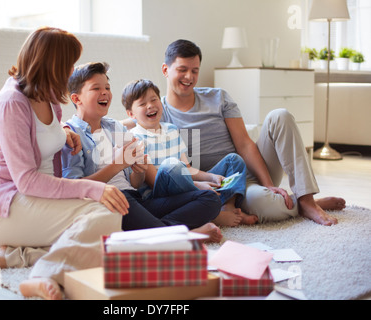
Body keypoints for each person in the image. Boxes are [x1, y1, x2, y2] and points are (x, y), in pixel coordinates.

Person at [124, 39, 345, 226]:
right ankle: (300, 203)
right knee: (268, 207)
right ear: (166, 70)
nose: (189, 77)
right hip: (220, 185)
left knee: (280, 115)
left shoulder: (218, 97)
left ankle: (306, 200)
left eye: (195, 70)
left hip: (248, 166)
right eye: (182, 70)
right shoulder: (158, 112)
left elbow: (245, 144)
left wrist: (268, 182)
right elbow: (131, 119)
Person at [0, 27, 131, 300]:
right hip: (7, 206)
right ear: (51, 63)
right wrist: (90, 188)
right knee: (105, 214)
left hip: (36, 201)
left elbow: (41, 137)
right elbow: (26, 180)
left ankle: (13, 256)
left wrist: (64, 132)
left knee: (106, 230)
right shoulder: (11, 103)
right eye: (69, 63)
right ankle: (41, 276)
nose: (72, 70)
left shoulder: (49, 98)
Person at [61, 61, 222, 242]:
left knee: (210, 199)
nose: (105, 92)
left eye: (107, 86)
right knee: (131, 204)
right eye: (96, 88)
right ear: (76, 99)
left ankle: (151, 231)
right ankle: (188, 236)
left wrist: (140, 169)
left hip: (136, 198)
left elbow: (134, 183)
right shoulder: (72, 134)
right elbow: (73, 187)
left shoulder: (115, 127)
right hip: (111, 201)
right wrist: (117, 165)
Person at [121, 79, 256, 227]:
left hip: (186, 186)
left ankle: (227, 206)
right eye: (142, 104)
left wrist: (210, 176)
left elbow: (188, 168)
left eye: (154, 100)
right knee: (170, 167)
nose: (151, 105)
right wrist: (198, 185)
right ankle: (214, 214)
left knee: (233, 160)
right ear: (131, 114)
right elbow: (154, 182)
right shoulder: (134, 138)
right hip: (159, 196)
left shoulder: (171, 129)